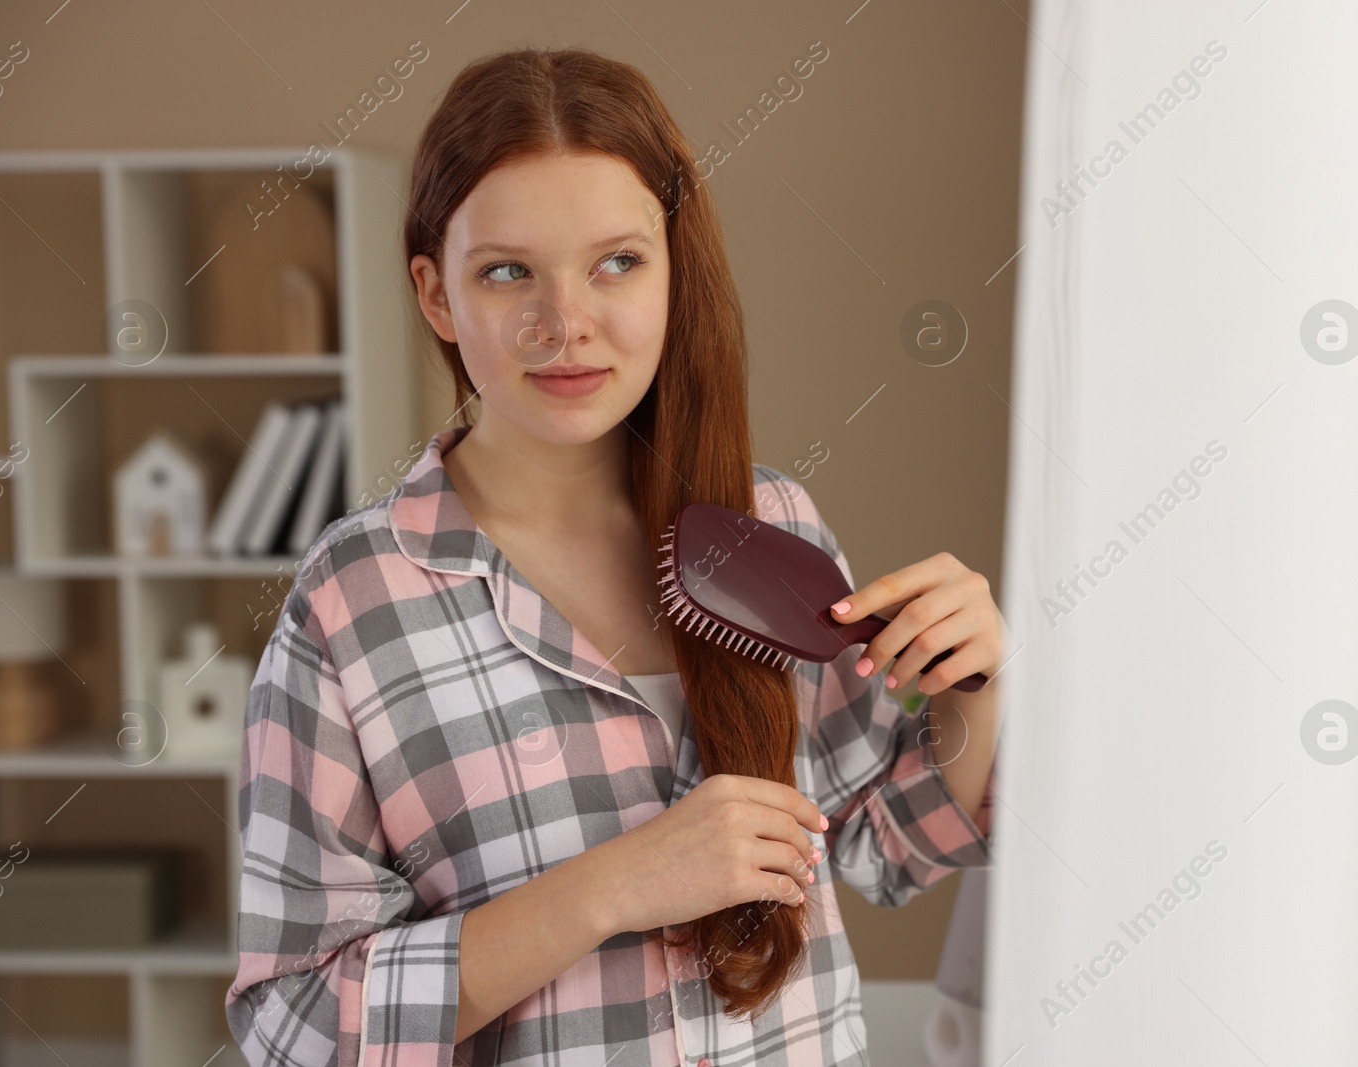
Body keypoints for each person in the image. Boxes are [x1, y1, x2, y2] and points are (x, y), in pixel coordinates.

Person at [224, 46, 1005, 1067]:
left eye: (617, 262)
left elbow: (886, 844)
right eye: (507, 271)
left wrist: (974, 689)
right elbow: (294, 1018)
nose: (566, 325)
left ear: (674, 269)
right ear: (435, 293)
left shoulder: (773, 519)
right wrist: (613, 884)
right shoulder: (354, 598)